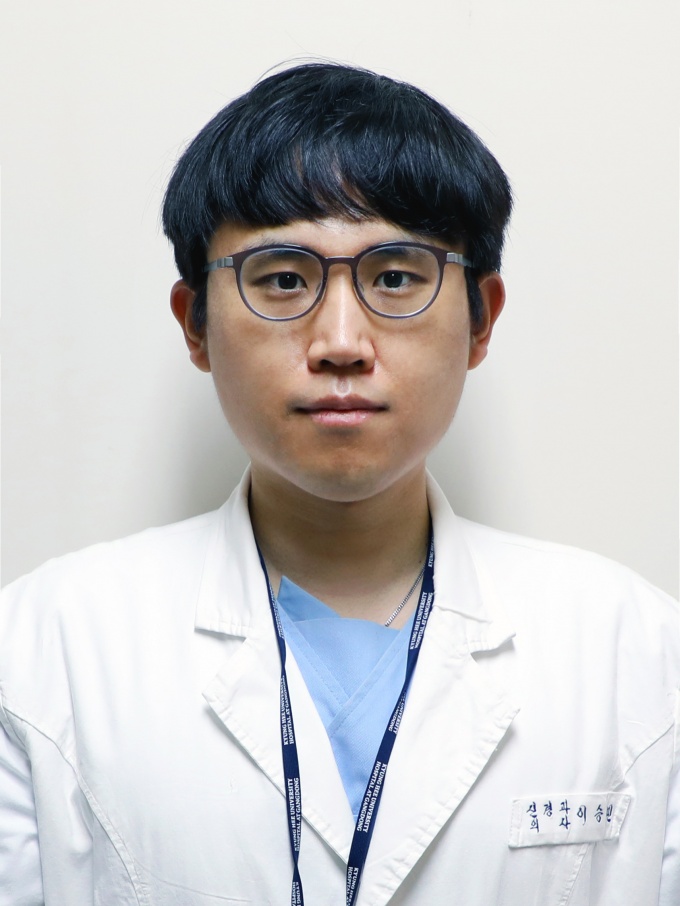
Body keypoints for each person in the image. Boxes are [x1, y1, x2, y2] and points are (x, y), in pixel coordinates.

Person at [0, 62, 677, 906]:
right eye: (283, 279)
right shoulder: (42, 650)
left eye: (395, 277)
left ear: (481, 319)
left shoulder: (636, 652)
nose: (342, 343)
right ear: (195, 324)